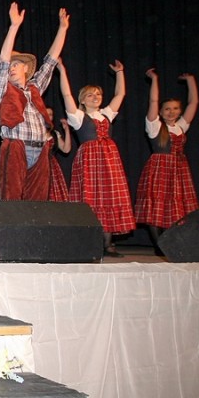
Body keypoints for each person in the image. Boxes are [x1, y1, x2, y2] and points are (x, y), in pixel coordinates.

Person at [0, 2, 70, 201]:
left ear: (26, 68)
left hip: (41, 148)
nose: (11, 68)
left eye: (16, 64)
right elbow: (2, 63)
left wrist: (62, 29)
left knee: (38, 201)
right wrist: (14, 27)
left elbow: (50, 62)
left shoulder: (34, 88)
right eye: (10, 65)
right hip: (16, 147)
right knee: (11, 200)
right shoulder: (1, 91)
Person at [58, 58, 135, 257]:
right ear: (82, 100)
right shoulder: (78, 117)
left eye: (98, 94)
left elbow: (120, 94)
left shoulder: (106, 114)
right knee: (91, 198)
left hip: (109, 160)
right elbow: (66, 94)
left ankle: (108, 244)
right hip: (90, 161)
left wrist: (120, 73)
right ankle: (91, 244)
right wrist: (62, 70)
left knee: (109, 196)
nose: (95, 97)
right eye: (90, 95)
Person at [134, 68, 199, 253]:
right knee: (156, 205)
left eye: (175, 108)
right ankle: (159, 245)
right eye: (167, 109)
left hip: (178, 170)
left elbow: (194, 102)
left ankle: (174, 242)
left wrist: (190, 81)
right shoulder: (154, 126)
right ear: (161, 112)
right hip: (160, 168)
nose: (171, 112)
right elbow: (153, 101)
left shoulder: (181, 126)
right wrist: (154, 79)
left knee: (176, 207)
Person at [45, 108, 71, 202]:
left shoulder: (54, 134)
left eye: (50, 114)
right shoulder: (34, 132)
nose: (48, 116)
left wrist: (67, 130)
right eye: (46, 113)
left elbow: (66, 149)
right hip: (37, 164)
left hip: (51, 166)